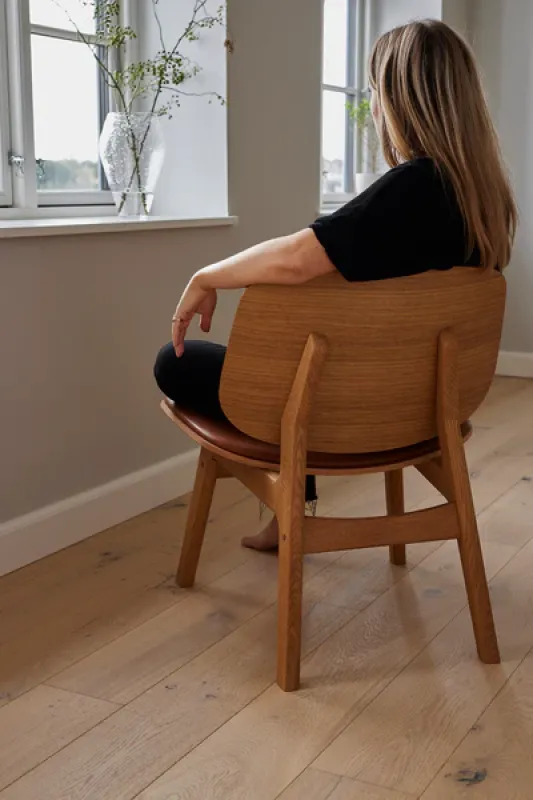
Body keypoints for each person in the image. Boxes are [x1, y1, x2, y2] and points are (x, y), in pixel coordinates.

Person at [154, 18, 517, 551]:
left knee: (176, 361)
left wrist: (206, 275)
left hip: (347, 410)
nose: (374, 106)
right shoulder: (487, 203)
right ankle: (293, 503)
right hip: (419, 408)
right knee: (313, 345)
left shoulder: (414, 186)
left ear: (399, 100)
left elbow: (297, 259)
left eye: (375, 91)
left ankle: (291, 506)